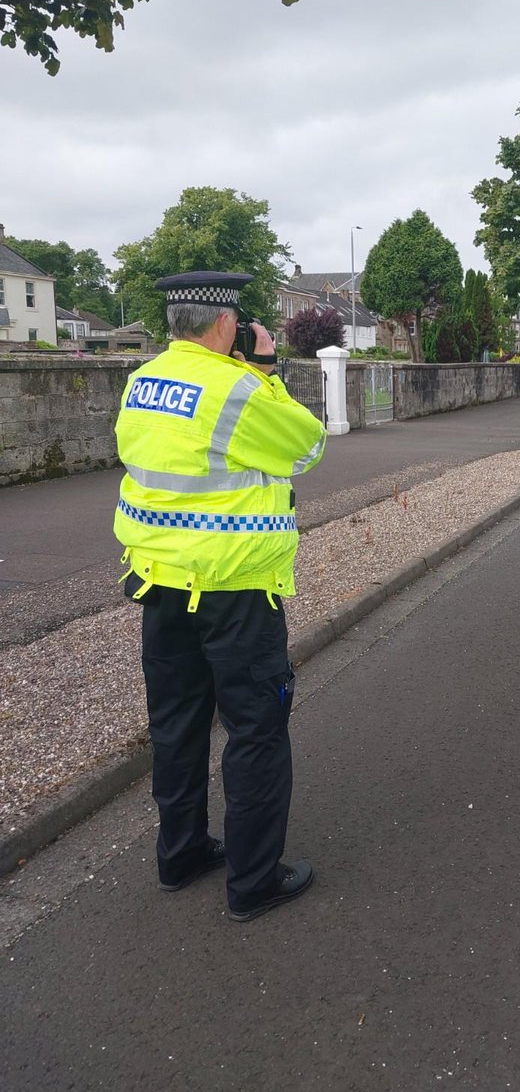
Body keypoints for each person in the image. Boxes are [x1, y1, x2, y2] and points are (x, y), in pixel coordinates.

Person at [113, 271, 326, 922]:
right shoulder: (238, 389)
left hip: (159, 584)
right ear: (225, 324)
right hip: (234, 591)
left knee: (176, 728)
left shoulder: (141, 382)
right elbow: (308, 445)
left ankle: (180, 855)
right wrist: (266, 369)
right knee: (255, 731)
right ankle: (253, 881)